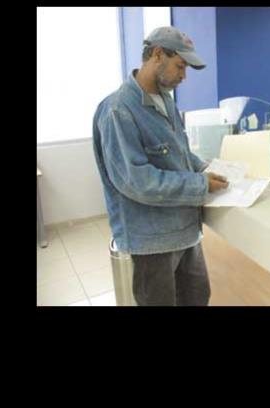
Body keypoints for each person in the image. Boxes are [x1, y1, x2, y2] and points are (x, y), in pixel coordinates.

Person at [92, 26, 229, 306]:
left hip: (186, 233)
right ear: (157, 54)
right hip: (152, 242)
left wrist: (203, 168)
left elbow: (180, 152)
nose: (183, 76)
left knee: (197, 297)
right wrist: (200, 184)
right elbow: (136, 181)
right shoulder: (119, 110)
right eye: (180, 66)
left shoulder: (166, 101)